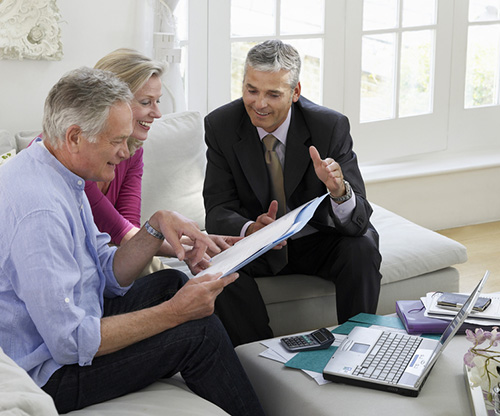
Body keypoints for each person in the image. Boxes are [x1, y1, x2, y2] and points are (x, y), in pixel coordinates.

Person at [0, 67, 264, 415]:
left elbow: (106, 274)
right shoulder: (41, 213)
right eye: (116, 141)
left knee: (171, 281)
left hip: (68, 330)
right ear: (75, 136)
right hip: (49, 374)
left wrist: (154, 228)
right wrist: (174, 313)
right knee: (197, 333)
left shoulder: (59, 171)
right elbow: (70, 342)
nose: (126, 152)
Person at [203, 40, 382, 346]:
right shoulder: (221, 125)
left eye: (273, 94)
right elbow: (217, 210)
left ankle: (357, 347)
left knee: (362, 246)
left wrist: (339, 191)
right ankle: (259, 362)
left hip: (315, 241)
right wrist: (249, 229)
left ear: (295, 92)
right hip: (255, 247)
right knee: (217, 268)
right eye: (251, 90)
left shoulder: (329, 126)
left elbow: (359, 219)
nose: (259, 104)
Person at [86, 49, 237, 274]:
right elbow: (120, 231)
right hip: (78, 268)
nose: (157, 113)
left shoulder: (133, 150)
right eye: (147, 102)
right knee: (174, 281)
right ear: (111, 102)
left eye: (158, 101)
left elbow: (130, 229)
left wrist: (192, 242)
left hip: (111, 260)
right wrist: (184, 244)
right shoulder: (75, 153)